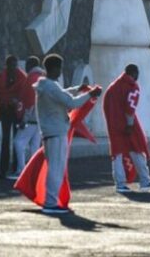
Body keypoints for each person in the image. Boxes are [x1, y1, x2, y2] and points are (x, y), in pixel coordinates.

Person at [34, 54, 101, 214]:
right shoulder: (51, 86)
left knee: (54, 168)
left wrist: (78, 88)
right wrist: (90, 94)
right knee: (56, 169)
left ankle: (50, 201)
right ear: (55, 68)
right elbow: (71, 103)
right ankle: (50, 203)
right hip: (56, 132)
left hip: (50, 132)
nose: (60, 71)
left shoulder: (45, 85)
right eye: (60, 68)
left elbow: (62, 94)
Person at [103, 64, 150, 193]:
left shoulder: (113, 86)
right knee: (137, 149)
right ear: (134, 73)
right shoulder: (132, 86)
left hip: (114, 124)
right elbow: (130, 108)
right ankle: (145, 180)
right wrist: (130, 124)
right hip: (127, 124)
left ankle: (120, 183)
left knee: (117, 154)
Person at [9, 57, 44, 180]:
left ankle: (21, 171)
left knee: (18, 143)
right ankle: (34, 172)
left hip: (30, 118)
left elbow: (28, 102)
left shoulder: (31, 79)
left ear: (30, 66)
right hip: (40, 119)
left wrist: (23, 119)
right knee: (35, 146)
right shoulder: (43, 78)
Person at [0, 55, 26, 179]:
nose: (14, 67)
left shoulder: (21, 77)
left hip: (16, 111)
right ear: (7, 65)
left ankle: (15, 168)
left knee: (16, 141)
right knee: (5, 140)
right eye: (12, 65)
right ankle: (3, 170)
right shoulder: (0, 77)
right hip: (6, 110)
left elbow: (23, 95)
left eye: (15, 65)